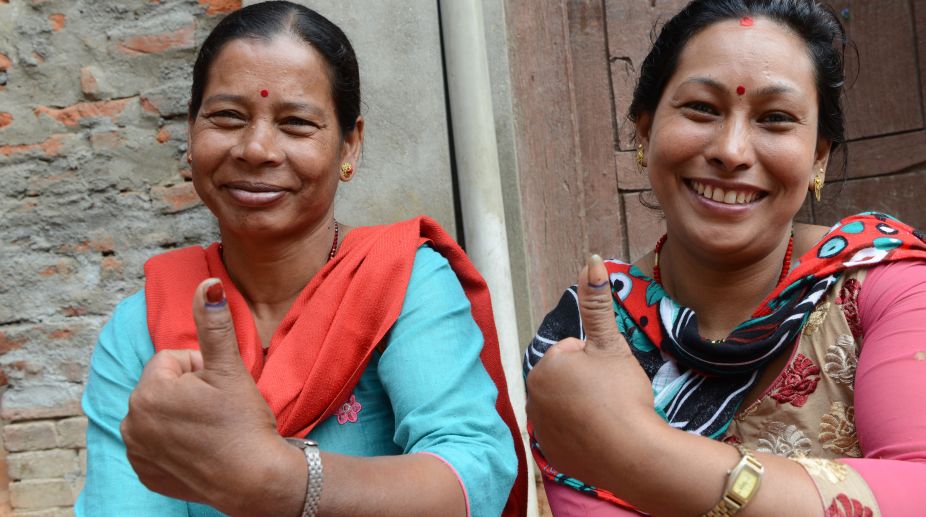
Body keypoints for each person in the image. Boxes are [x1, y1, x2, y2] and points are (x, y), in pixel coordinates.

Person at [77, 2, 527, 516]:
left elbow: (474, 473)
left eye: (295, 123)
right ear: (190, 130)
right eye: (227, 117)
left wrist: (281, 480)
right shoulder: (142, 326)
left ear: (349, 145)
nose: (256, 149)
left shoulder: (401, 281)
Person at [523, 1, 926, 515]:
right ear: (645, 131)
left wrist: (639, 451)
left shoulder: (886, 285)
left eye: (776, 119)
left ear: (818, 155)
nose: (732, 151)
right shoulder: (583, 351)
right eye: (701, 109)